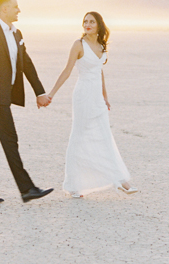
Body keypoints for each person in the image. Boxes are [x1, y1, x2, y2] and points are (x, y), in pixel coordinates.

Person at [0, 0, 54, 204]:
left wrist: (40, 92)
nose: (19, 10)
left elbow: (26, 63)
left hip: (5, 96)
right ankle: (27, 189)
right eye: (15, 6)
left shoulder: (16, 33)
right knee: (10, 141)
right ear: (4, 9)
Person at [46, 11, 138, 198]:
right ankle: (73, 185)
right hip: (83, 95)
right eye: (85, 21)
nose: (87, 24)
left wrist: (105, 96)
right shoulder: (78, 45)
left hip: (97, 97)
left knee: (104, 136)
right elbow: (67, 70)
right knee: (79, 137)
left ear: (98, 25)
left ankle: (120, 180)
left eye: (91, 22)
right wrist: (51, 94)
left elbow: (99, 71)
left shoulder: (102, 46)